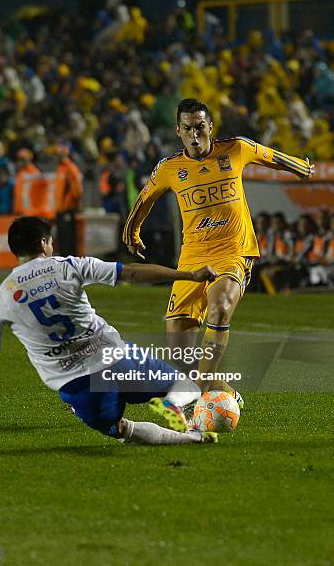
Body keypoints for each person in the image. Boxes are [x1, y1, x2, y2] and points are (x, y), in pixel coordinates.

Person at [123, 97, 313, 411]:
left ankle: (196, 395)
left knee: (220, 307)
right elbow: (144, 201)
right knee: (181, 365)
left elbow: (271, 156)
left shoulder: (236, 149)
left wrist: (301, 167)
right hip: (191, 262)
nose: (195, 134)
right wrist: (132, 233)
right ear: (178, 132)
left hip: (233, 253)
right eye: (188, 129)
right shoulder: (169, 169)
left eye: (200, 127)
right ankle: (223, 394)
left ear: (210, 126)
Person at [0, 216, 219, 445]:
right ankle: (174, 403)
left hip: (77, 383)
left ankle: (189, 439)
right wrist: (189, 275)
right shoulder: (68, 266)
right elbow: (131, 273)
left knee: (119, 429)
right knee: (185, 383)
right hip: (117, 358)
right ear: (43, 244)